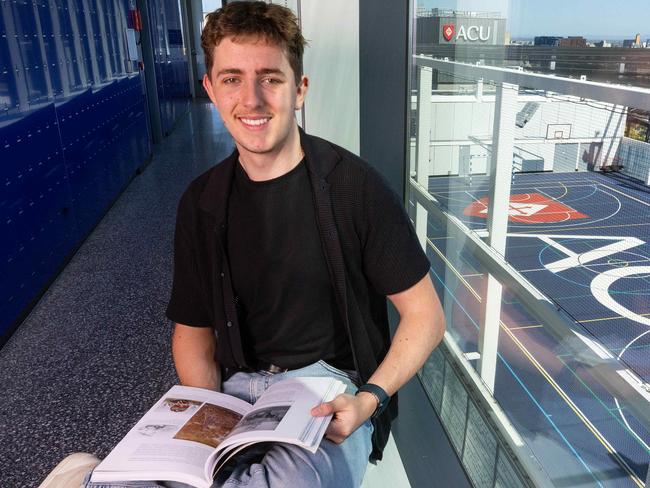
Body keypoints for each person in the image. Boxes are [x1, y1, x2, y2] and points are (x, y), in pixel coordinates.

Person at [39, 2, 445, 488]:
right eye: (231, 78)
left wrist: (369, 399)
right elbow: (193, 332)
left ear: (300, 90)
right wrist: (207, 423)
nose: (251, 100)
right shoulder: (202, 201)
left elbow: (425, 315)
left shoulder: (355, 190)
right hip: (236, 391)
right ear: (210, 90)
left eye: (270, 78)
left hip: (325, 389)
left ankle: (88, 480)